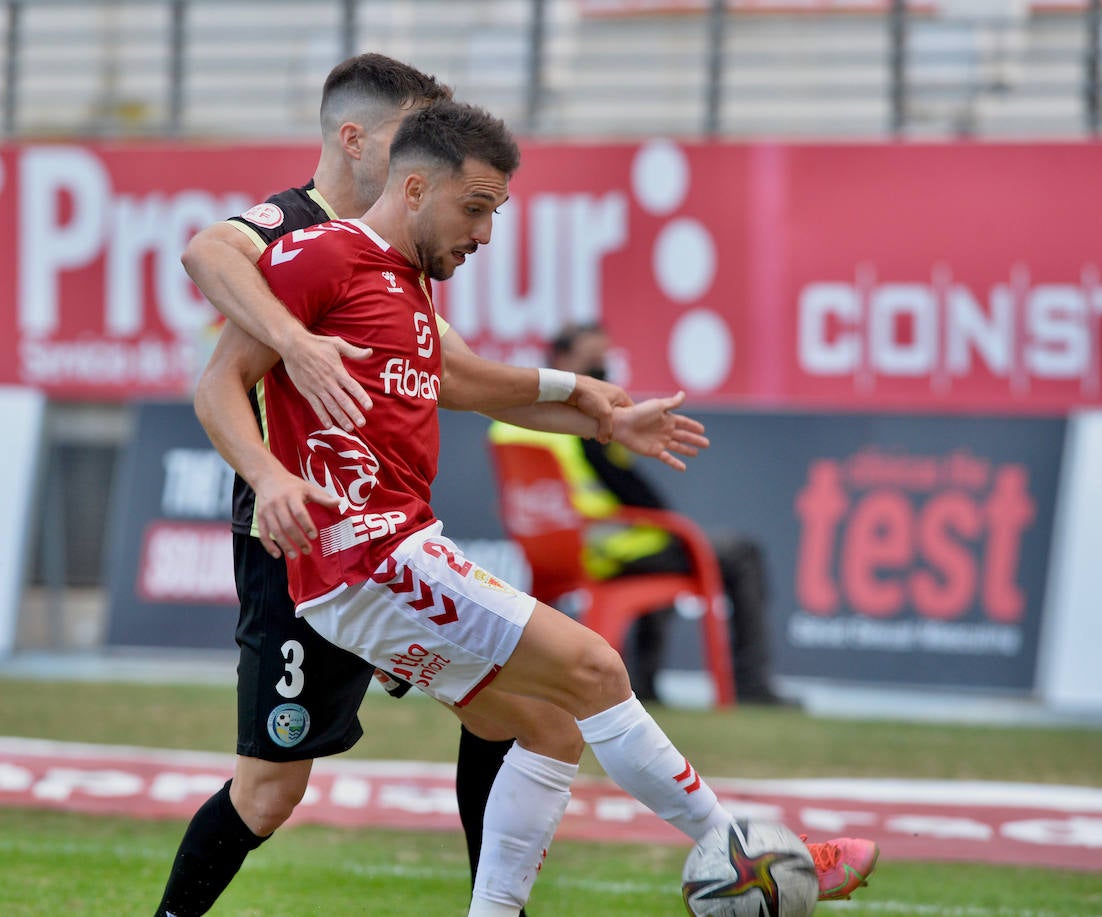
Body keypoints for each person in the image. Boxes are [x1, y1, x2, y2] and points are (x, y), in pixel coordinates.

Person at [193, 98, 880, 914]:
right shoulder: (320, 256)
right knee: (594, 666)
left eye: (495, 212)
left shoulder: (407, 287)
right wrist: (269, 476)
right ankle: (749, 855)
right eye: (475, 207)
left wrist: (597, 407)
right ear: (413, 188)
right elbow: (217, 384)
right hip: (366, 554)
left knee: (546, 727)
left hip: (371, 567)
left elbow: (475, 383)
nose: (484, 233)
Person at [154, 53, 679, 917]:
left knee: (513, 717)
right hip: (298, 532)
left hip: (387, 538)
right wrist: (296, 342)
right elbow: (206, 252)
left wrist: (586, 402)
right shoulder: (295, 226)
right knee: (269, 791)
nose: (424, 155)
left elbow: (457, 375)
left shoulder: (398, 257)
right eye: (410, 137)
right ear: (357, 140)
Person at [490, 323, 796, 706]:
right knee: (737, 552)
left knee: (666, 547)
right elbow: (634, 493)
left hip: (549, 554)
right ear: (561, 360)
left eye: (605, 360)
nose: (602, 369)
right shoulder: (586, 422)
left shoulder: (509, 427)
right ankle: (751, 683)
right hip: (610, 551)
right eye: (593, 360)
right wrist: (672, 524)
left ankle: (644, 683)